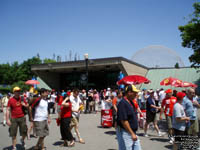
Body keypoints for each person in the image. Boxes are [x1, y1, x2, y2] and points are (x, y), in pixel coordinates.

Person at [116, 84, 142, 150]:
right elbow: (124, 121)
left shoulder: (131, 102)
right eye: (135, 92)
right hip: (126, 132)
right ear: (129, 92)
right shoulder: (122, 103)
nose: (136, 94)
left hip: (132, 132)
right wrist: (132, 133)